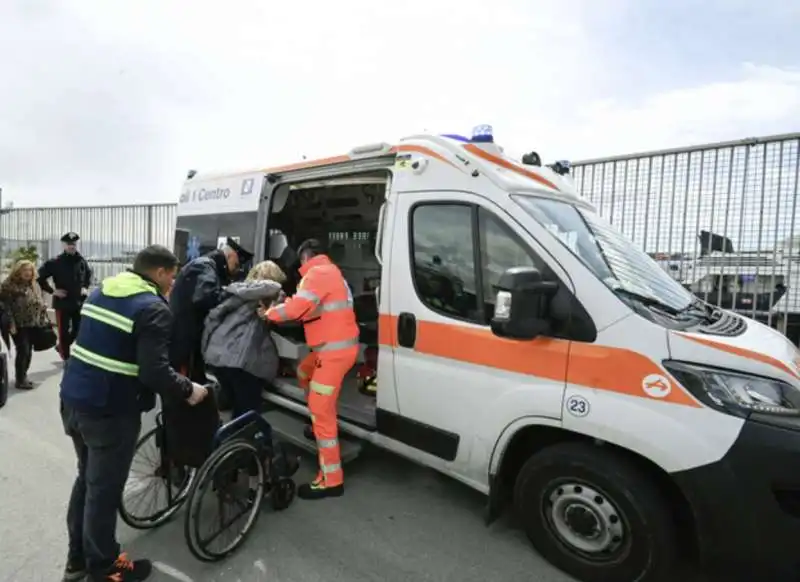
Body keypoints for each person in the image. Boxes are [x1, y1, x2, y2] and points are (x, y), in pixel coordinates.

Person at [59, 245, 209, 582]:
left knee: (87, 479)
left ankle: (78, 558)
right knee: (104, 490)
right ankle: (104, 567)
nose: (173, 282)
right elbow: (154, 373)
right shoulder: (153, 308)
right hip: (109, 411)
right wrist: (189, 389)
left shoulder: (105, 290)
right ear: (158, 273)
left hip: (73, 400)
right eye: (172, 275)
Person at [259, 238, 359, 500]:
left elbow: (295, 309)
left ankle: (331, 480)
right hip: (335, 348)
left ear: (305, 256)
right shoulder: (331, 272)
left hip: (333, 353)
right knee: (304, 372)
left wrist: (268, 314)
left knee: (319, 408)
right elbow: (310, 307)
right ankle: (317, 423)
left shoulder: (316, 274)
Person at [202, 260, 286, 420]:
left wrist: (206, 348)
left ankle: (223, 438)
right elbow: (289, 318)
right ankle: (236, 443)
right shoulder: (272, 296)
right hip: (243, 364)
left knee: (233, 405)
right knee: (246, 414)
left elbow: (212, 319)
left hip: (219, 358)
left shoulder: (238, 293)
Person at [169, 238, 253, 384]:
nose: (236, 270)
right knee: (185, 383)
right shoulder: (205, 267)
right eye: (236, 265)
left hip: (190, 338)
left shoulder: (208, 266)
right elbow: (206, 298)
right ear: (230, 256)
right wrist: (235, 293)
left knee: (194, 382)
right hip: (185, 340)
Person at [37, 231, 93, 360]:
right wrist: (52, 291)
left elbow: (88, 275)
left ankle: (61, 347)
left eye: (73, 244)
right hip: (63, 303)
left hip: (78, 302)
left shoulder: (81, 260)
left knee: (78, 330)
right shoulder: (56, 262)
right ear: (64, 245)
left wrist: (85, 287)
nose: (71, 246)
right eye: (69, 244)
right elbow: (39, 278)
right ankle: (66, 358)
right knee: (63, 332)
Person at [0, 259, 49, 389]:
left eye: (30, 270)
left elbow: (37, 299)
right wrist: (11, 323)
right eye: (24, 270)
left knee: (28, 351)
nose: (28, 273)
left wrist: (42, 306)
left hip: (33, 322)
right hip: (17, 323)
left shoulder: (34, 284)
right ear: (17, 271)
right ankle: (20, 379)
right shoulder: (8, 285)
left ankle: (23, 376)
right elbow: (5, 306)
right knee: (23, 350)